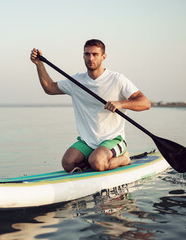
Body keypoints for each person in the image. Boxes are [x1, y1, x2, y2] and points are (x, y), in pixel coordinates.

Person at [30, 39, 151, 172]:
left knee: (97, 162)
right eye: (87, 54)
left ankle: (123, 158)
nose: (90, 58)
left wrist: (120, 103)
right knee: (68, 163)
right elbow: (50, 88)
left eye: (95, 54)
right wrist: (39, 64)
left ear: (103, 57)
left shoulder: (117, 79)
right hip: (88, 142)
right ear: (83, 56)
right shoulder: (76, 81)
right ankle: (94, 162)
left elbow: (145, 103)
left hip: (113, 139)